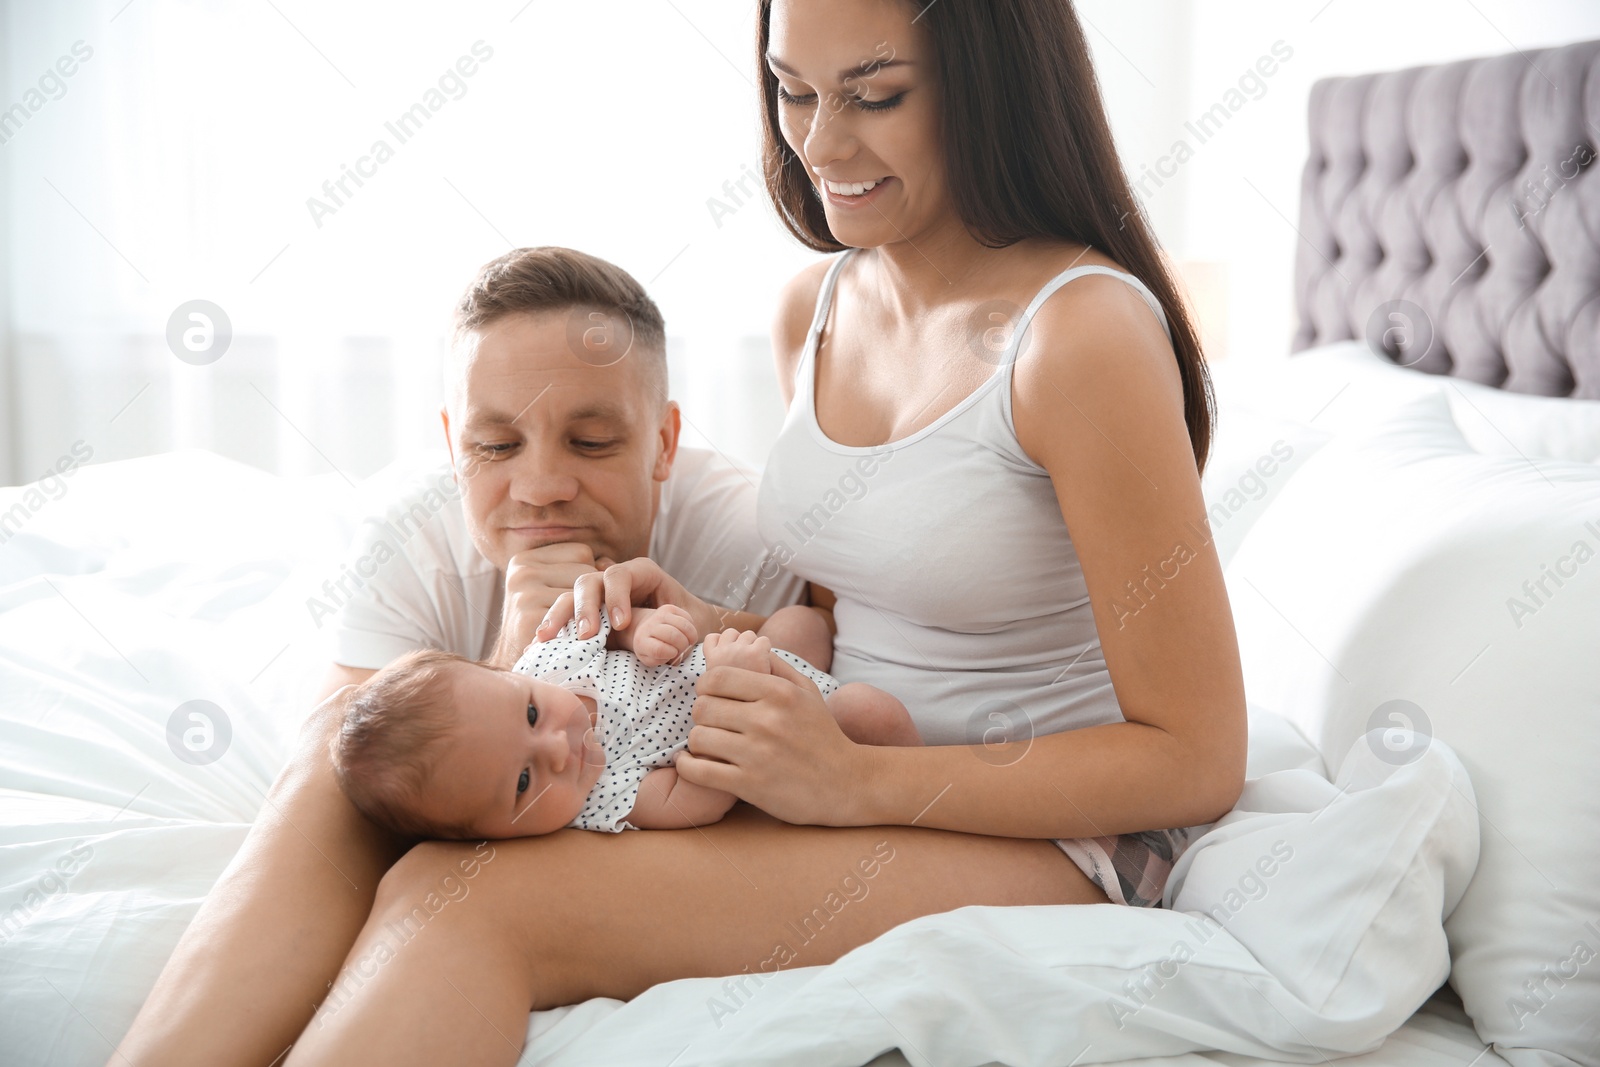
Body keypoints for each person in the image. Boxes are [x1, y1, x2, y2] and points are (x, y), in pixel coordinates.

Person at [112, 3, 1249, 1065]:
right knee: (363, 764)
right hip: (840, 753)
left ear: (990, 83)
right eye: (790, 92)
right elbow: (867, 615)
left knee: (476, 907)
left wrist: (852, 781)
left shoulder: (1082, 336)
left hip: (1062, 842)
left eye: (875, 93)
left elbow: (1194, 755)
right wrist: (717, 625)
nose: (821, 145)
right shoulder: (821, 306)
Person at [331, 606, 922, 841]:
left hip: (738, 650)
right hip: (776, 715)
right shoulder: (597, 800)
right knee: (871, 713)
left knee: (798, 622)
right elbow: (698, 801)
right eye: (522, 783)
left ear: (507, 673)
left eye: (531, 712)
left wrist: (645, 629)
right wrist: (731, 687)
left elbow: (616, 628)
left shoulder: (549, 657)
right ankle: (921, 800)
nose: (557, 750)